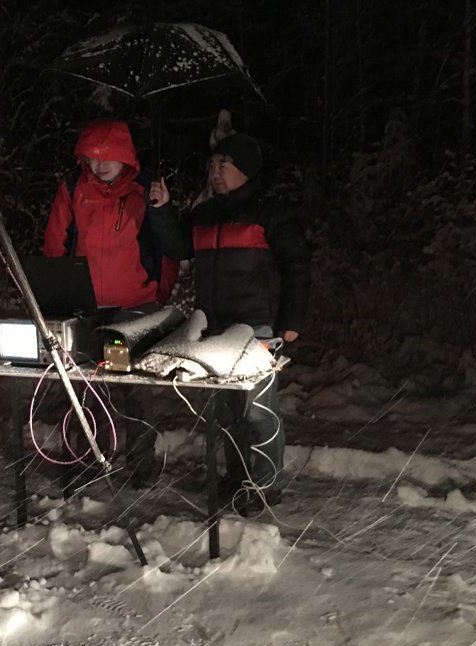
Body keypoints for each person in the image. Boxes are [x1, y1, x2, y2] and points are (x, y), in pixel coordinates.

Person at [151, 132, 311, 513]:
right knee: (225, 411)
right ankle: (237, 477)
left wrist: (291, 320)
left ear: (246, 170)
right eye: (212, 164)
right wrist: (162, 209)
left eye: (224, 164)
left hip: (257, 328)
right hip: (215, 330)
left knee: (259, 408)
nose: (215, 172)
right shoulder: (205, 215)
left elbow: (297, 267)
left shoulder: (269, 214)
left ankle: (267, 482)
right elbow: (177, 246)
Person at [43, 119, 181, 486]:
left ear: (125, 158)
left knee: (133, 387)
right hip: (85, 308)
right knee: (87, 387)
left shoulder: (146, 188)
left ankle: (140, 466)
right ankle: (88, 461)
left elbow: (170, 251)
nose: (98, 164)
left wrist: (158, 294)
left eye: (107, 157)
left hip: (132, 311)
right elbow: (56, 243)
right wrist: (58, 293)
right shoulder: (74, 186)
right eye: (91, 157)